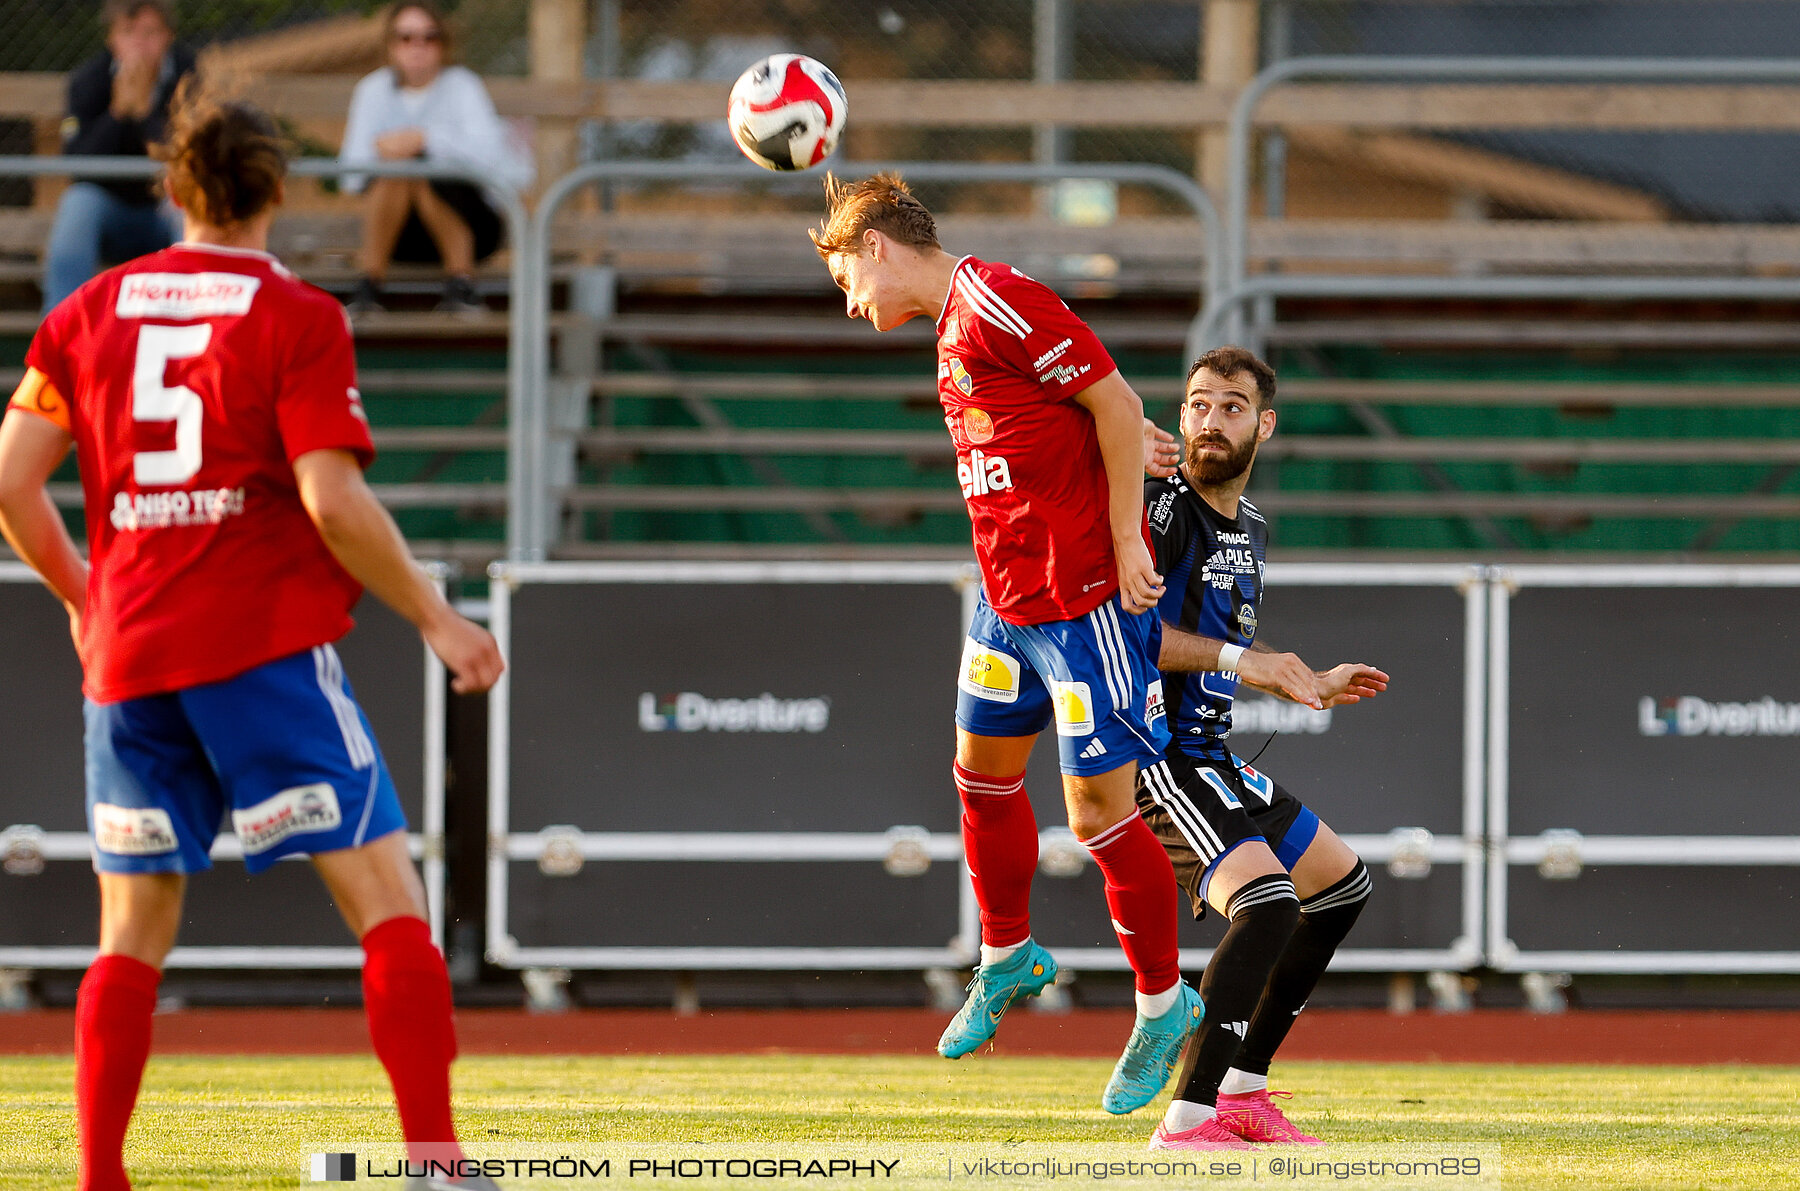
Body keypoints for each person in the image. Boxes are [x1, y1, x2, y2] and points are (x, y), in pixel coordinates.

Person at [0, 87, 505, 1191]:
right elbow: (330, 500)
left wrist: (85, 595)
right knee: (388, 905)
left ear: (174, 191)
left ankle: (98, 1178)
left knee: (130, 929)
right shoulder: (298, 317)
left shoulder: (84, 313)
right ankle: (436, 1164)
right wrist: (434, 614)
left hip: (129, 661)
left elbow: (10, 482)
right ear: (277, 191)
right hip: (260, 651)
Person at [812, 172, 1202, 1115]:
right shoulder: (950, 328)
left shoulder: (992, 298)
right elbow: (1077, 414)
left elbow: (1111, 400)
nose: (849, 301)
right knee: (979, 775)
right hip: (1005, 602)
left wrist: (1122, 533)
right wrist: (1121, 432)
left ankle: (1163, 1001)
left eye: (843, 277)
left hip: (1085, 606)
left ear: (875, 245)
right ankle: (1007, 953)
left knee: (1099, 815)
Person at [1135, 346, 1388, 1151]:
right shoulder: (1161, 513)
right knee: (1270, 902)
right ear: (1179, 417)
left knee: (1341, 887)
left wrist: (1307, 677)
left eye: (1232, 406)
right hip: (1156, 753)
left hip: (1212, 751)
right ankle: (1187, 1119)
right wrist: (1252, 665)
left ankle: (1244, 1090)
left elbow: (1212, 644)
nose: (1211, 420)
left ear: (1264, 424)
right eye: (1198, 404)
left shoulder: (1252, 529)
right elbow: (1132, 637)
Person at [339, 1, 534, 315]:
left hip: (472, 228)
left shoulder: (464, 86)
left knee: (420, 169)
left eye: (429, 37)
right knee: (401, 170)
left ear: (443, 44)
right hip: (399, 236)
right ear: (390, 45)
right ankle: (370, 285)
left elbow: (492, 159)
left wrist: (426, 140)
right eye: (406, 38)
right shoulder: (372, 91)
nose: (418, 47)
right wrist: (385, 153)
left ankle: (461, 283)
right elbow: (350, 177)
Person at [41, 0, 195, 314]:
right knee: (79, 203)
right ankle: (59, 330)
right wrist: (117, 113)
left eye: (150, 32)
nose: (139, 42)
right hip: (108, 209)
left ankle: (197, 323)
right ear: (111, 38)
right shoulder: (88, 79)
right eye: (128, 32)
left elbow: (192, 157)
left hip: (167, 206)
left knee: (191, 209)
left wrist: (144, 115)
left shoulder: (189, 77)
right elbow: (76, 161)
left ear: (168, 36)